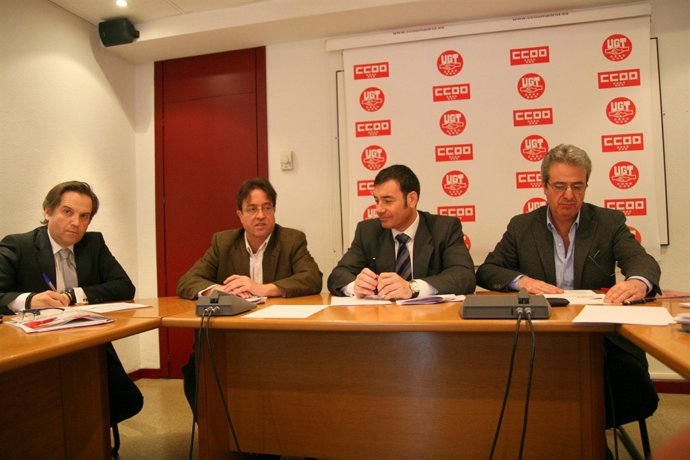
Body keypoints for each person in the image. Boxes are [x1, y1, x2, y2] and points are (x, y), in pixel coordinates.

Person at [476, 144, 660, 429]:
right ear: (545, 187)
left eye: (577, 186)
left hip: (598, 337)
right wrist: (523, 281)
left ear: (586, 186)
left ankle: (589, 438)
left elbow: (641, 260)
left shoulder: (608, 222)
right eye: (560, 186)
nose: (569, 195)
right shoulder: (522, 227)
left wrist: (638, 281)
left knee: (625, 385)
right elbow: (488, 270)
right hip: (542, 334)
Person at [0, 181, 143, 429]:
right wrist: (30, 300)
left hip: (86, 344)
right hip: (36, 350)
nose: (76, 222)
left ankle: (85, 437)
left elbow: (124, 286)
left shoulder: (93, 244)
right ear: (48, 212)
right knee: (42, 414)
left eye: (84, 216)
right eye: (67, 212)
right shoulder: (18, 246)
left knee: (125, 401)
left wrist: (72, 295)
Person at [177, 177, 323, 409]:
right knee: (195, 370)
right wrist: (218, 289)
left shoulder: (291, 240)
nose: (260, 215)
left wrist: (262, 288)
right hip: (232, 337)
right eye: (252, 209)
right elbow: (187, 281)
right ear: (240, 215)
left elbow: (312, 278)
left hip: (277, 336)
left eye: (267, 208)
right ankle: (213, 426)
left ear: (274, 211)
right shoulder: (223, 242)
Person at [328, 164, 476, 299]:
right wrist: (356, 286)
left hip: (431, 317)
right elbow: (337, 276)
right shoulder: (368, 231)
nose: (379, 209)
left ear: (412, 199)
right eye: (376, 200)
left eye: (388, 201)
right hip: (382, 316)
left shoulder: (444, 228)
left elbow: (464, 276)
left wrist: (412, 287)